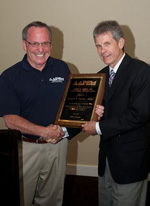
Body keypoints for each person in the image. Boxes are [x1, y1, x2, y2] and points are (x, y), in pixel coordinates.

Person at [0, 21, 80, 206]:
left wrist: (92, 109)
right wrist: (44, 132)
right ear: (24, 44)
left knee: (52, 199)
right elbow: (11, 120)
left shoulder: (62, 68)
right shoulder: (9, 76)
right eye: (34, 43)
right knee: (21, 198)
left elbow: (73, 105)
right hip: (25, 148)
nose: (40, 49)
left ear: (51, 44)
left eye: (45, 43)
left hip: (58, 145)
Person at [82, 20, 150, 206]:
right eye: (98, 45)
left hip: (130, 163)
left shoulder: (142, 71)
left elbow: (139, 114)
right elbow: (95, 113)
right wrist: (94, 115)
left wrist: (97, 126)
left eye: (107, 43)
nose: (102, 50)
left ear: (120, 43)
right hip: (106, 161)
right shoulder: (100, 75)